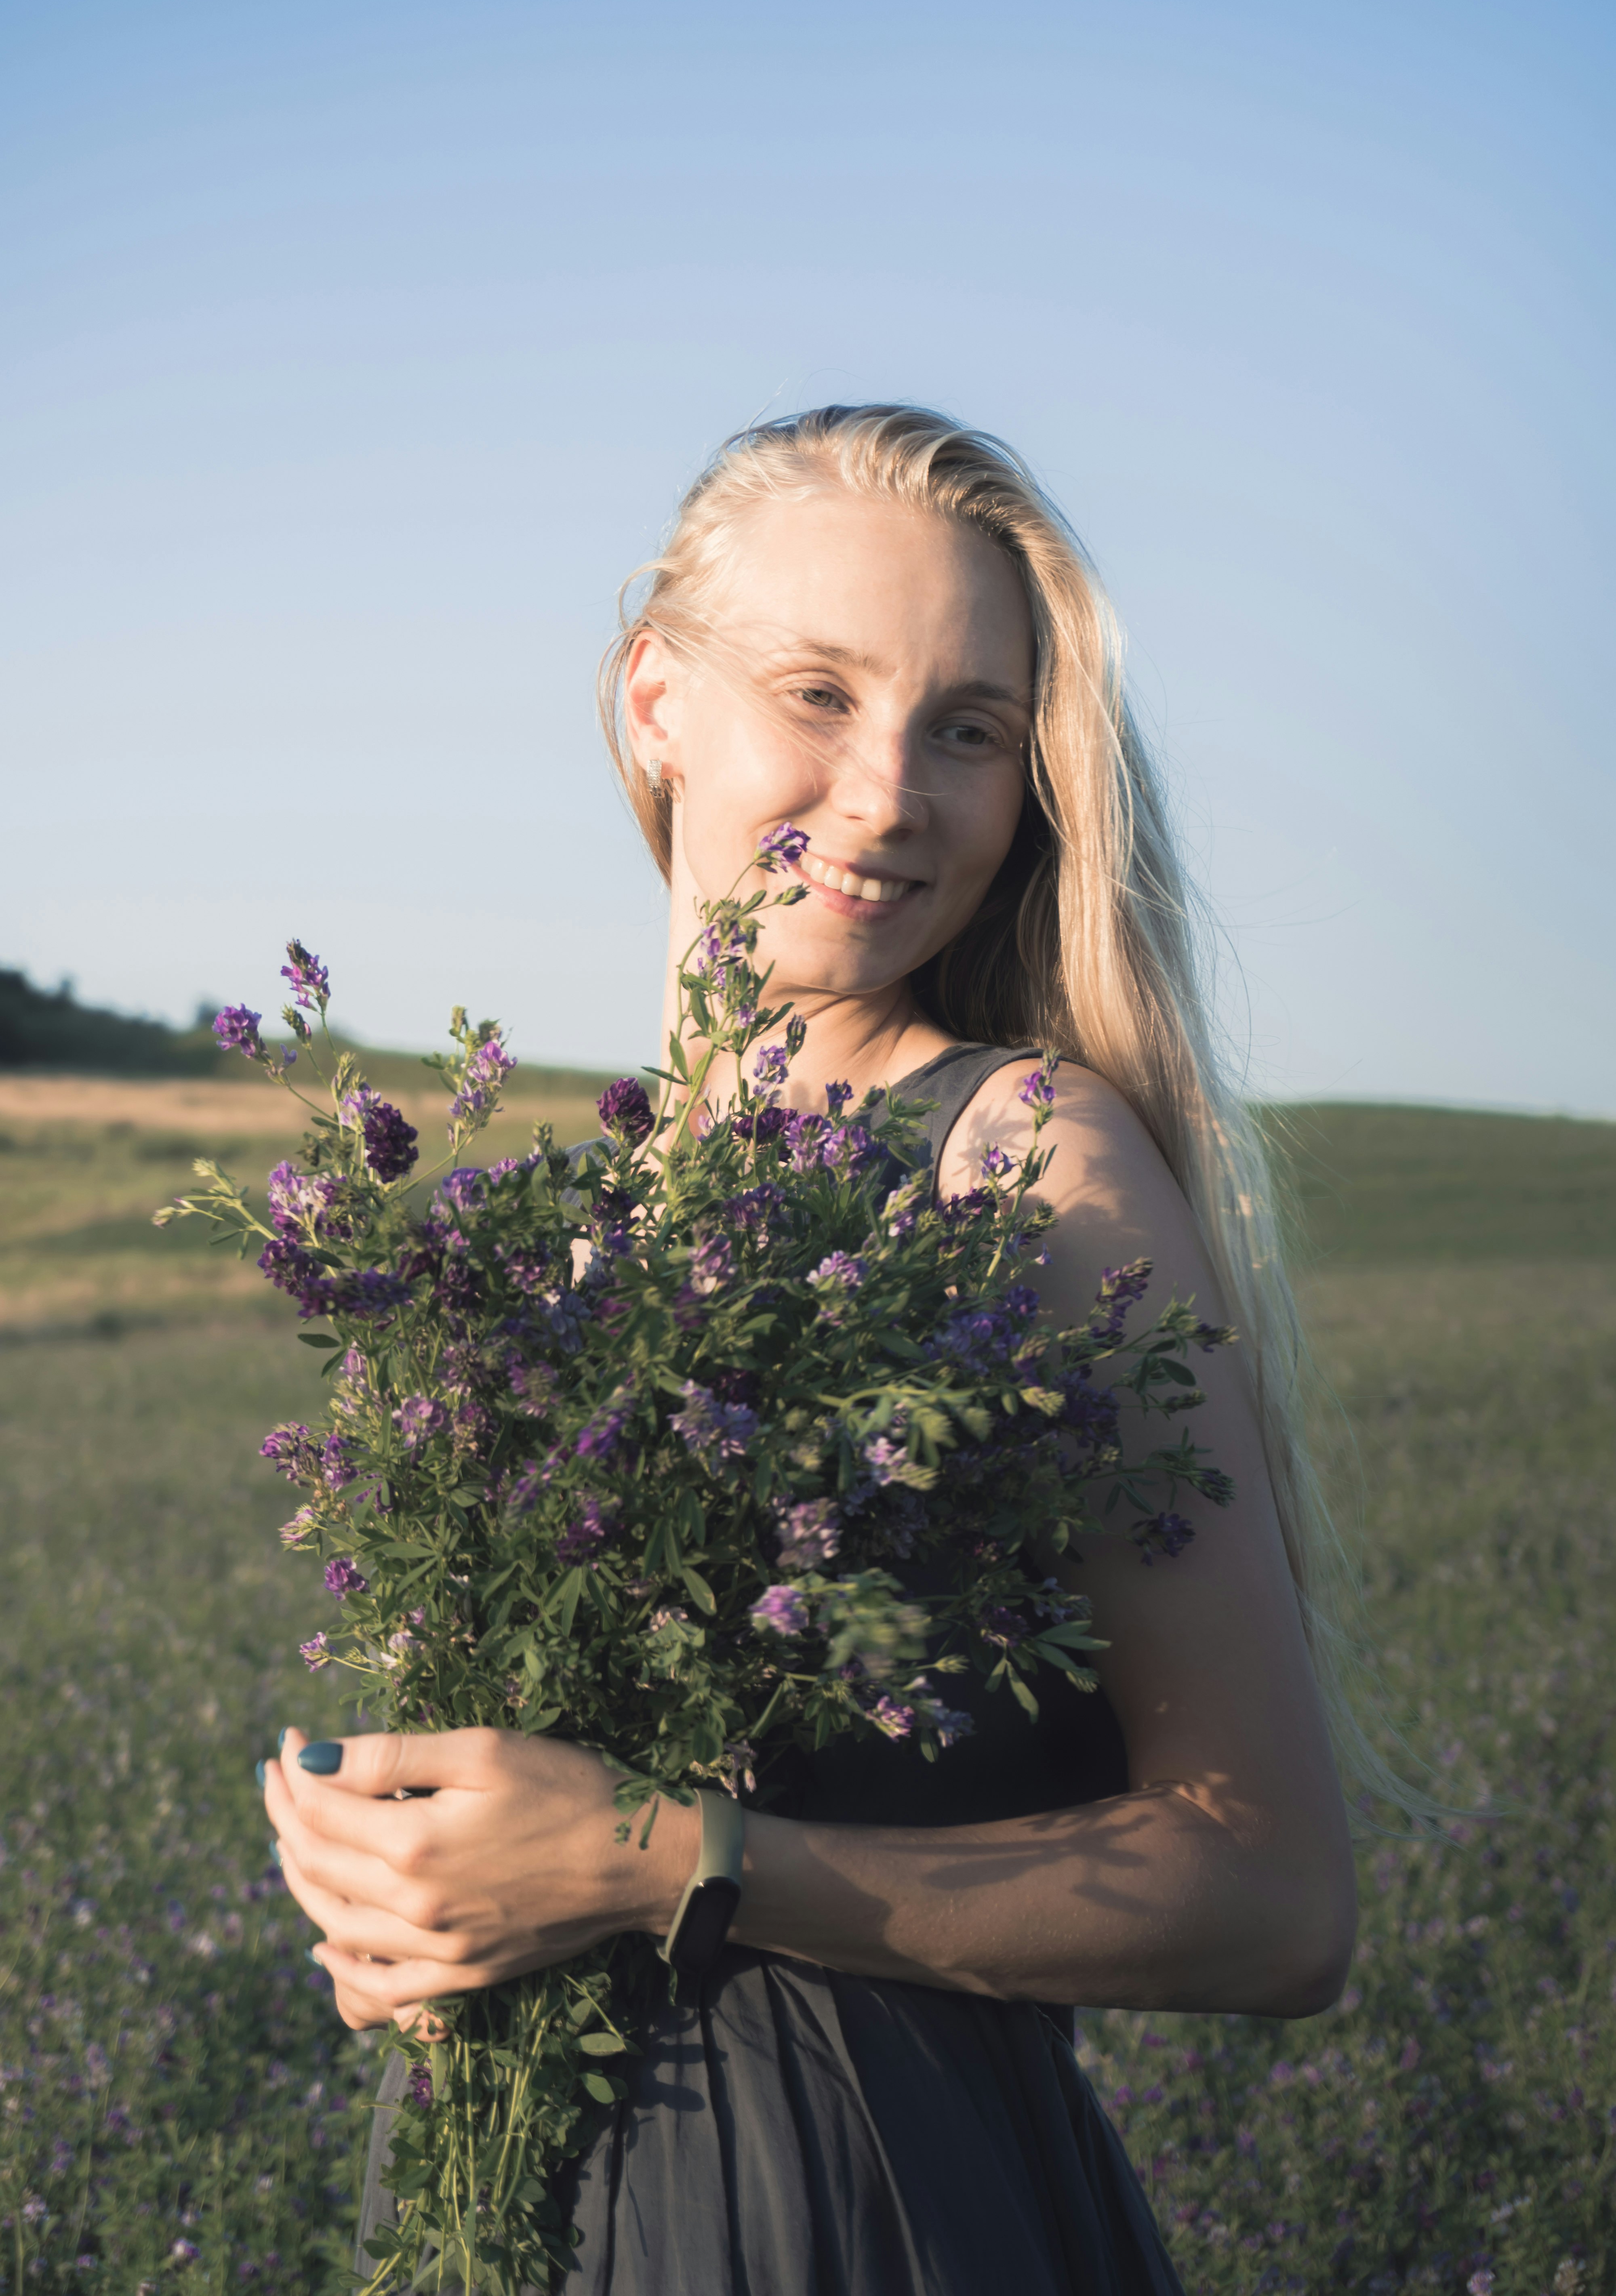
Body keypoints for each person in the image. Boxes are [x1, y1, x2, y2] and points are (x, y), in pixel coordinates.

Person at [262, 405, 1358, 2293]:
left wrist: (666, 1857)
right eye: (820, 693)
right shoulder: (568, 1236)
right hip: (540, 2216)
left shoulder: (1025, 1162)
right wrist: (410, 1896)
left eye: (967, 729)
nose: (885, 795)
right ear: (655, 702)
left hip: (867, 2201)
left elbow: (1272, 1899)